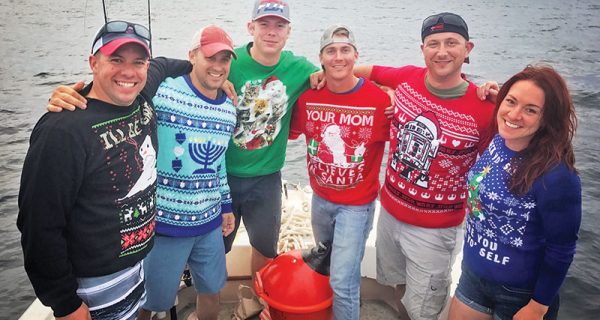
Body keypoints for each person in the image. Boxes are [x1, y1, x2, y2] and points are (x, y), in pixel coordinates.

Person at [17, 20, 190, 320]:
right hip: (93, 288)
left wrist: (211, 74)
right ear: (93, 63)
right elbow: (38, 225)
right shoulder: (64, 129)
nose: (128, 71)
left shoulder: (143, 97)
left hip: (138, 269)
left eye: (138, 62)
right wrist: (65, 304)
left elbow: (164, 65)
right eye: (116, 60)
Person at [344, 12, 496, 320]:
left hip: (435, 233)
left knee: (424, 308)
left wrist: (503, 95)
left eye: (451, 43)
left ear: (467, 49)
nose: (442, 51)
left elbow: (496, 163)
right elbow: (364, 70)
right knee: (398, 286)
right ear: (423, 48)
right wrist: (329, 75)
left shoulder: (485, 107)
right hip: (389, 213)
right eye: (433, 43)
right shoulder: (407, 78)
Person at [448, 65, 582, 320]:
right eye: (511, 101)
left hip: (520, 295)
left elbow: (561, 249)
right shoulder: (498, 140)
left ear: (548, 119)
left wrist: (538, 307)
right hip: (473, 277)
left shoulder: (557, 176)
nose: (515, 114)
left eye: (530, 110)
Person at [289, 25, 390, 320]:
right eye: (331, 51)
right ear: (321, 58)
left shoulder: (380, 100)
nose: (338, 57)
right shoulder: (307, 98)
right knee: (330, 267)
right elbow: (287, 130)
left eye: (345, 50)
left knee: (342, 281)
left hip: (356, 206)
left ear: (356, 55)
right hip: (320, 201)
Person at [136, 25, 237, 320]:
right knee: (151, 301)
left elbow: (219, 163)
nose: (218, 66)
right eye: (210, 57)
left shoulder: (229, 109)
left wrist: (226, 206)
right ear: (192, 56)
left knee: (213, 291)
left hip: (209, 223)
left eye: (225, 59)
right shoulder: (163, 92)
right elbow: (120, 96)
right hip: (165, 224)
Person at [223, 0, 318, 277]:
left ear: (288, 32)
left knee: (264, 248)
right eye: (264, 24)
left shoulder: (299, 68)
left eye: (279, 25)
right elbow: (190, 72)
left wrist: (384, 89)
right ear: (250, 27)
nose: (271, 32)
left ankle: (255, 301)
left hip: (267, 178)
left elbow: (335, 77)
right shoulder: (229, 62)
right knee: (216, 247)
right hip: (221, 177)